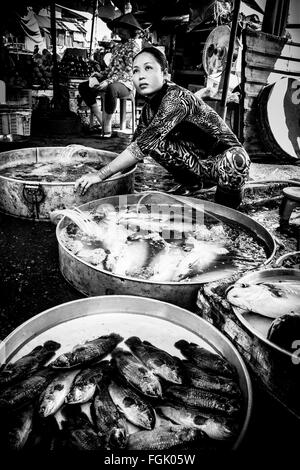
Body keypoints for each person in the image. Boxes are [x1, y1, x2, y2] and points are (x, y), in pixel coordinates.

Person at [75, 46, 251, 209]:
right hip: (199, 166)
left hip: (222, 163)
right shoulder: (148, 110)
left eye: (148, 68)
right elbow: (136, 149)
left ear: (165, 74)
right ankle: (192, 184)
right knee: (152, 144)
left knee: (235, 159)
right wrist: (113, 181)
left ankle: (228, 209)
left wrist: (100, 175)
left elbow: (140, 147)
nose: (141, 75)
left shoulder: (177, 98)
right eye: (136, 71)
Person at [78, 13, 142, 137]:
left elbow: (128, 71)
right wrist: (101, 74)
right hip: (112, 80)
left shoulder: (134, 47)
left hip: (126, 84)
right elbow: (112, 69)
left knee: (112, 88)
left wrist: (108, 81)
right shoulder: (117, 47)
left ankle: (107, 126)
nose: (119, 31)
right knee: (84, 86)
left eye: (123, 28)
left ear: (131, 30)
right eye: (118, 28)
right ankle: (101, 119)